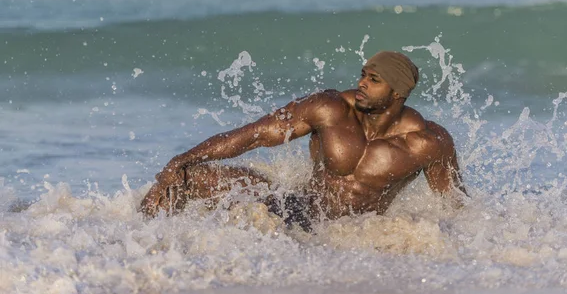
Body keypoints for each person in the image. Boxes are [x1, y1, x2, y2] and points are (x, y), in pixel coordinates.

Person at [140, 51, 467, 230]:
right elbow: (252, 135)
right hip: (296, 213)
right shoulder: (330, 108)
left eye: (374, 79)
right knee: (187, 177)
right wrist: (179, 160)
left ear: (397, 93)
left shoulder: (429, 143)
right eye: (363, 74)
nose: (361, 83)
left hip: (356, 236)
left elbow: (454, 204)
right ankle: (145, 242)